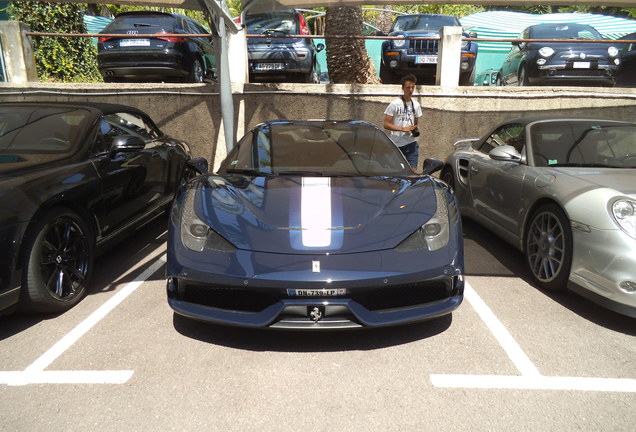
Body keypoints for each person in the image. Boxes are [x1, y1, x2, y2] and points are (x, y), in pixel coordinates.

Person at [383, 74, 423, 170]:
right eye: (408, 87)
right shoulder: (395, 104)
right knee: (395, 171)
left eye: (413, 87)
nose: (411, 90)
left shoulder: (416, 105)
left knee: (412, 173)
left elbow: (415, 123)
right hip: (396, 144)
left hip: (411, 143)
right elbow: (386, 124)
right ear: (402, 88)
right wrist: (402, 129)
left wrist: (413, 130)